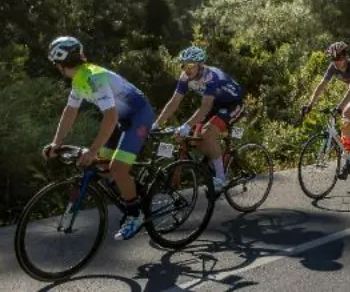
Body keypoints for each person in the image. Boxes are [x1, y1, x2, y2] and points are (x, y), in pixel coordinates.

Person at [42, 36, 155, 241]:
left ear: (60, 64)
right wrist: (56, 142)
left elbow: (110, 116)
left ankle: (135, 214)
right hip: (122, 119)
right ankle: (137, 193)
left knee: (118, 167)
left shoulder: (94, 77)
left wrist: (93, 149)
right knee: (103, 168)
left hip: (139, 116)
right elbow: (70, 112)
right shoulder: (79, 80)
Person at [152, 46, 244, 192]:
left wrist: (186, 125)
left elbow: (205, 107)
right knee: (195, 140)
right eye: (183, 65)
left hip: (233, 104)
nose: (186, 69)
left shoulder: (211, 77)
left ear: (200, 65)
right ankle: (217, 161)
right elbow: (174, 102)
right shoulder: (185, 77)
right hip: (215, 103)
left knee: (208, 133)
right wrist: (157, 123)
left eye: (190, 65)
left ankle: (221, 178)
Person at [305, 42, 350, 178]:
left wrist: (339, 108)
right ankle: (349, 159)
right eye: (333, 59)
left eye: (339, 58)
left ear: (345, 56)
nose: (336, 62)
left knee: (347, 111)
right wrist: (310, 104)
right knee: (345, 126)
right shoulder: (333, 67)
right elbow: (322, 85)